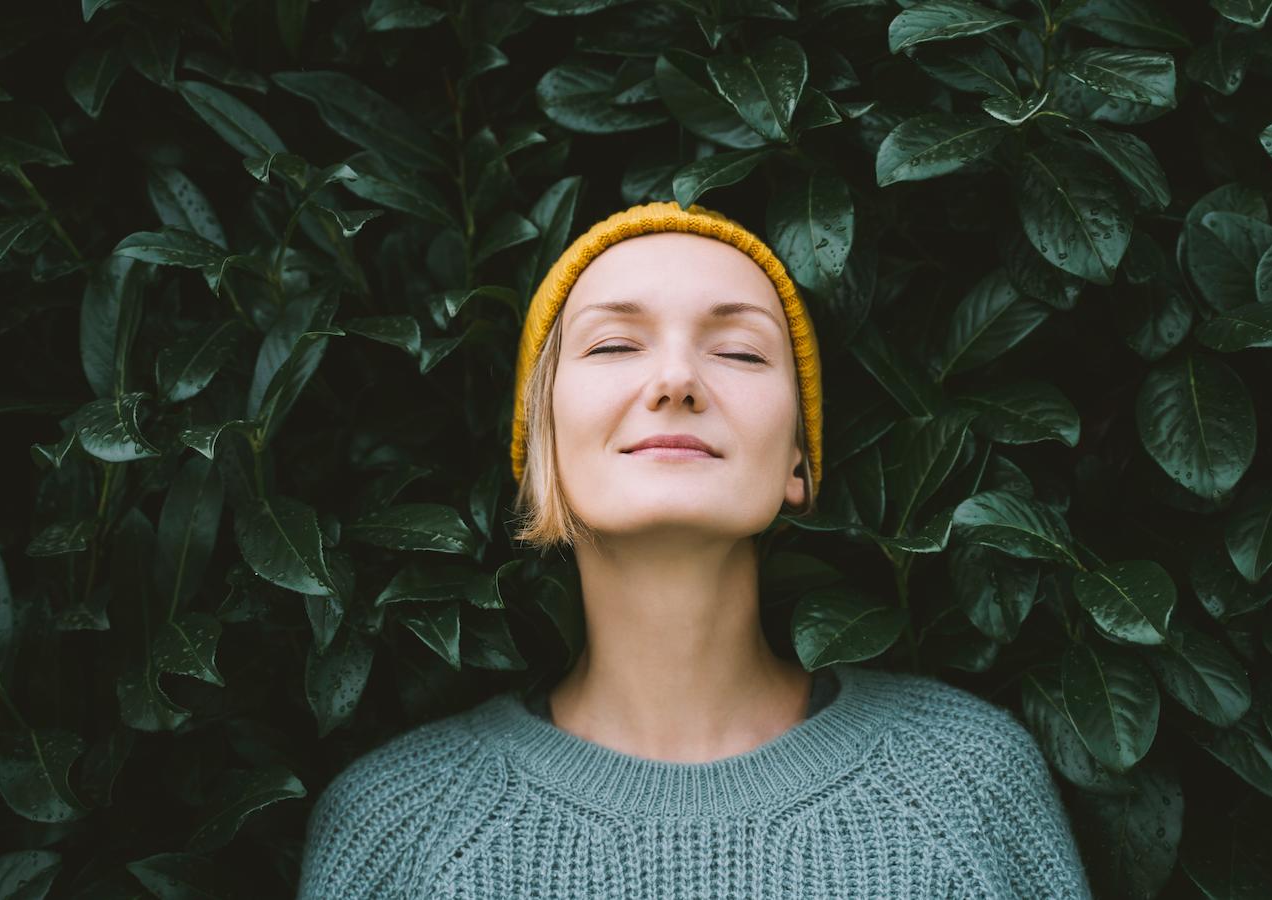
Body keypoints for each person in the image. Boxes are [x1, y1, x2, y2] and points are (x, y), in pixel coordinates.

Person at [296, 201, 1094, 899]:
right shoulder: (396, 830)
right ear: (543, 441)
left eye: (740, 352)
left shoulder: (968, 787)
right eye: (614, 346)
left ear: (797, 461)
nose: (676, 380)